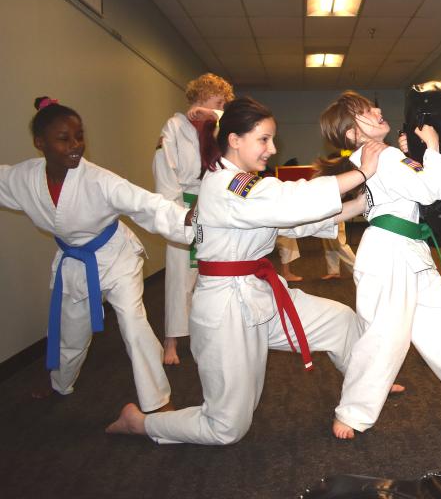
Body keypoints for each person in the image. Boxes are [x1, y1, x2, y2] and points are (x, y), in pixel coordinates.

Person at [106, 97, 386, 444]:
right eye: (264, 139)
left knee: (341, 321)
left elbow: (295, 223)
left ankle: (365, 389)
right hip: (226, 310)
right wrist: (360, 173)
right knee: (226, 428)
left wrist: (359, 203)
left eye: (272, 139)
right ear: (235, 140)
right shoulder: (228, 184)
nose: (272, 148)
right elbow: (287, 200)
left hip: (260, 294)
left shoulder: (243, 182)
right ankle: (140, 423)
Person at [319, 91, 441, 440]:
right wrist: (434, 147)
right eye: (367, 111)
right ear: (352, 132)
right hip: (389, 254)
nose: (378, 110)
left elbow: (405, 188)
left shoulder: (381, 155)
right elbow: (427, 192)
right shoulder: (381, 154)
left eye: (374, 105)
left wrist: (413, 155)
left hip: (408, 249)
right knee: (385, 335)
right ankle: (351, 413)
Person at [0, 97, 194, 413]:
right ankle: (60, 381)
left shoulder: (99, 180)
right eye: (64, 139)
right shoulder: (24, 178)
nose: (76, 145)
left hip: (116, 257)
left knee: (133, 323)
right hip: (75, 263)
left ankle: (158, 400)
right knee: (71, 334)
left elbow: (146, 204)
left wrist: (191, 221)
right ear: (40, 143)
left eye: (79, 136)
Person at [153, 72, 234, 365]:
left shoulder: (218, 127)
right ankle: (171, 341)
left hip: (212, 205)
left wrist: (211, 113)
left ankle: (206, 335)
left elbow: (238, 123)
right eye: (217, 100)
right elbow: (165, 168)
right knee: (179, 276)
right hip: (183, 204)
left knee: (210, 272)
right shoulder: (174, 127)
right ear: (200, 96)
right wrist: (177, 213)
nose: (221, 106)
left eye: (223, 103)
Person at [314, 153, 358, 280]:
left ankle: (357, 269)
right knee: (328, 243)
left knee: (339, 244)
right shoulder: (328, 177)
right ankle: (333, 271)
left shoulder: (341, 177)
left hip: (336, 212)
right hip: (326, 212)